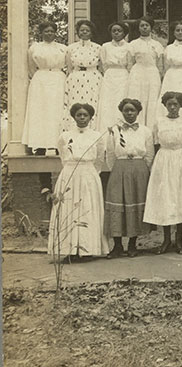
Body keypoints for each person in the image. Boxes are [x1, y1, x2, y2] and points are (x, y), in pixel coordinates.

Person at [47, 103, 108, 260]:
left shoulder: (97, 136)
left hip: (88, 174)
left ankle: (88, 249)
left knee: (87, 208)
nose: (82, 118)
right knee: (68, 208)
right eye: (79, 115)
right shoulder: (65, 136)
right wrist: (70, 170)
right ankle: (68, 250)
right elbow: (62, 156)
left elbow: (99, 158)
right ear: (73, 117)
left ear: (90, 117)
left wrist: (89, 173)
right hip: (69, 174)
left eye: (85, 115)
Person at [143, 92, 182, 255]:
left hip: (180, 160)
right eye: (169, 104)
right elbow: (154, 144)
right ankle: (166, 239)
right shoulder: (159, 122)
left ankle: (179, 238)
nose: (172, 107)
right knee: (165, 198)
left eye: (176, 104)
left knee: (179, 197)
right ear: (165, 105)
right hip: (163, 161)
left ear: (180, 106)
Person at [105, 98, 155, 258]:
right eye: (126, 110)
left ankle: (133, 244)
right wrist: (119, 169)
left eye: (132, 110)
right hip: (119, 168)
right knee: (118, 205)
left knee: (135, 205)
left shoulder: (146, 131)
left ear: (138, 112)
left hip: (139, 169)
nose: (129, 113)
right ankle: (117, 245)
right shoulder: (114, 130)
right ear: (122, 112)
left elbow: (149, 155)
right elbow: (111, 154)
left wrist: (141, 169)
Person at [22, 21, 67, 154]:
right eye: (46, 31)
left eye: (51, 31)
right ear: (41, 33)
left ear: (55, 32)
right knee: (40, 112)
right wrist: (39, 75)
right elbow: (30, 67)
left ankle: (56, 144)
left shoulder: (63, 48)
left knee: (56, 111)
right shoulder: (34, 48)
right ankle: (39, 144)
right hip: (40, 80)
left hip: (58, 79)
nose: (49, 33)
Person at [63, 20, 102, 130]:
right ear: (78, 32)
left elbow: (102, 66)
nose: (84, 32)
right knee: (75, 104)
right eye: (82, 30)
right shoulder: (71, 48)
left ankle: (91, 131)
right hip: (75, 78)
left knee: (92, 103)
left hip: (93, 78)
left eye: (87, 30)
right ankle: (73, 131)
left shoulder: (98, 48)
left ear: (91, 32)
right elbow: (69, 67)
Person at [127, 15, 164, 128]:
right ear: (138, 28)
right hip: (137, 73)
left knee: (152, 100)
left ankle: (151, 129)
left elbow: (160, 65)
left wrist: (159, 76)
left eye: (146, 25)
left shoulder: (157, 44)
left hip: (152, 74)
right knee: (138, 98)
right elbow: (130, 63)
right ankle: (137, 126)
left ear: (151, 27)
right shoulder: (133, 44)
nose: (144, 28)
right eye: (142, 26)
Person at [159, 20, 182, 120]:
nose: (180, 32)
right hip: (171, 76)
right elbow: (165, 66)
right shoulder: (168, 48)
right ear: (174, 32)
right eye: (177, 30)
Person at [97, 21, 132, 131]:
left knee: (120, 100)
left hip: (123, 76)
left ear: (124, 33)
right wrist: (110, 73)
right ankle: (106, 131)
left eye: (119, 31)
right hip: (109, 76)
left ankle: (121, 129)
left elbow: (130, 64)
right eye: (114, 31)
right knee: (108, 102)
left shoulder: (129, 47)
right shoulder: (105, 46)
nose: (116, 33)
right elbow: (103, 64)